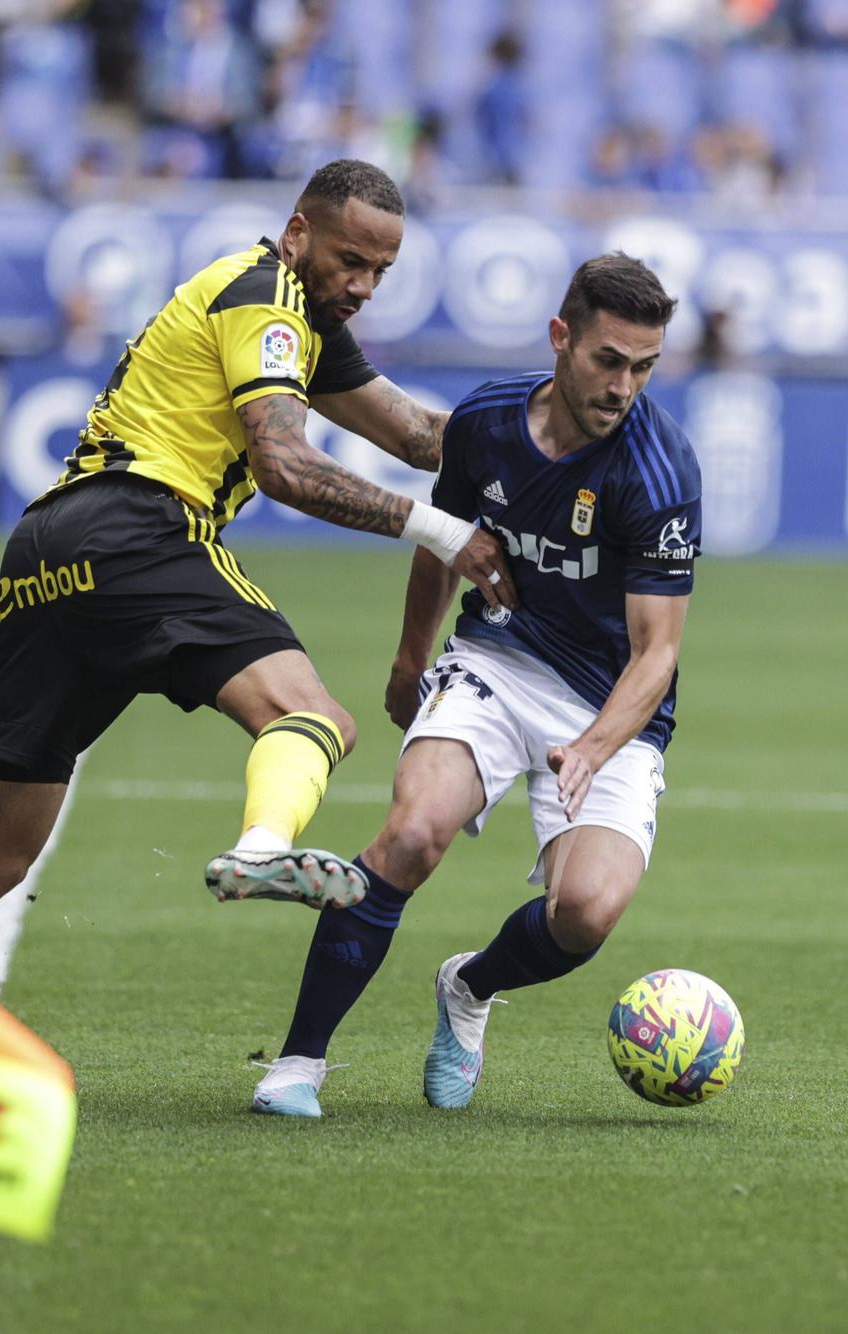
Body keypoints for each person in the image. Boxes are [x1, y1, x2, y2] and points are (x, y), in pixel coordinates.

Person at [0, 158, 516, 948]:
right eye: (351, 261)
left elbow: (416, 435)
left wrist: (538, 443)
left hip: (41, 557)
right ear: (298, 233)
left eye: (382, 270)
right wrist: (448, 534)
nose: (365, 286)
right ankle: (263, 850)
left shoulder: (303, 321)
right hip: (137, 529)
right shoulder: (267, 294)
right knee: (313, 715)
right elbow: (286, 468)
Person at [250, 254, 699, 1118]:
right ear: (561, 339)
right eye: (609, 360)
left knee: (585, 914)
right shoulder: (486, 423)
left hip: (610, 707)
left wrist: (594, 747)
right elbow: (445, 544)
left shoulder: (661, 470)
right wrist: (411, 658)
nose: (624, 387)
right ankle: (298, 1063)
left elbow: (656, 655)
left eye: (644, 367)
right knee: (414, 835)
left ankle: (470, 986)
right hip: (495, 661)